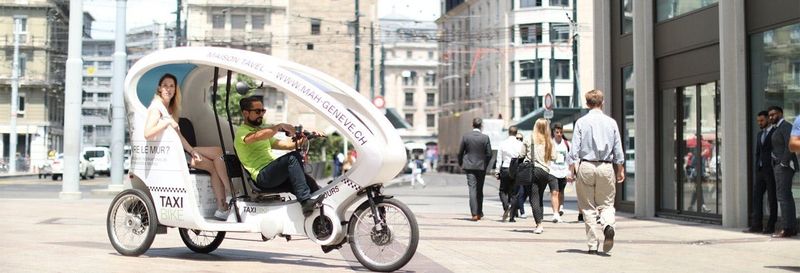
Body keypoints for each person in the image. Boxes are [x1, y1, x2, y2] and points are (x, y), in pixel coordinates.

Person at [144, 73, 231, 220]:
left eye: (172, 86)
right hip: (171, 156)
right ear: (159, 88)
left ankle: (224, 204)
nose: (168, 89)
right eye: (165, 86)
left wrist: (191, 150)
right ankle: (228, 197)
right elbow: (147, 133)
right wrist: (166, 122)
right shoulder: (156, 108)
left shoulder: (168, 109)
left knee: (218, 155)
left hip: (180, 151)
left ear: (175, 90)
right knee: (214, 163)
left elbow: (179, 136)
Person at [234, 95, 321, 217]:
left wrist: (309, 137)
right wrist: (279, 126)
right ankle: (305, 202)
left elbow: (288, 145)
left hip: (273, 175)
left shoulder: (261, 132)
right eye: (257, 111)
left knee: (310, 184)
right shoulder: (243, 133)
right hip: (262, 177)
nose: (261, 114)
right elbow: (257, 137)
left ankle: (320, 212)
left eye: (263, 111)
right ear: (245, 113)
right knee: (292, 158)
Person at [566, 90, 625, 254]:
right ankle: (608, 226)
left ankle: (592, 245)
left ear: (587, 104)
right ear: (602, 102)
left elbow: (574, 150)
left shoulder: (581, 122)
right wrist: (620, 169)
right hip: (605, 166)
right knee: (606, 204)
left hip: (586, 165)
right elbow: (618, 149)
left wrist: (571, 169)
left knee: (588, 207)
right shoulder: (611, 123)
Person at [521, 118, 557, 234]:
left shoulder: (529, 138)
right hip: (545, 172)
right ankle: (540, 222)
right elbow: (554, 157)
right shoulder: (549, 141)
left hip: (533, 171)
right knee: (539, 196)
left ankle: (539, 224)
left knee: (534, 198)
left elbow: (521, 154)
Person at [767, 106, 798, 238]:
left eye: (773, 114)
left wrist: (783, 163)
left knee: (783, 197)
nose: (771, 117)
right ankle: (791, 227)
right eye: (769, 115)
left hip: (784, 167)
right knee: (786, 196)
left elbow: (790, 145)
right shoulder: (777, 128)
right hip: (779, 166)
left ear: (780, 114)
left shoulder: (785, 126)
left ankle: (787, 228)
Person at [744, 111, 777, 234]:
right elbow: (757, 153)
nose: (760, 123)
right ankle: (756, 225)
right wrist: (757, 167)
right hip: (760, 170)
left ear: (768, 119)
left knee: (772, 198)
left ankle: (771, 226)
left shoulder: (775, 132)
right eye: (758, 121)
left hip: (771, 170)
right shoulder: (759, 134)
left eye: (762, 120)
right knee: (757, 197)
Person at [458, 117, 492, 221]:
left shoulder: (466, 136)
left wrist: (461, 163)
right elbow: (489, 154)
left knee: (472, 189)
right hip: (481, 166)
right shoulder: (485, 138)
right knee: (479, 189)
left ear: (472, 125)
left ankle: (474, 214)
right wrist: (485, 164)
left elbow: (460, 152)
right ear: (481, 126)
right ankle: (479, 212)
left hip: (469, 166)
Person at [494, 126, 523, 222]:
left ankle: (506, 205)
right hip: (516, 169)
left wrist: (497, 171)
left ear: (508, 132)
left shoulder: (503, 143)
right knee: (514, 193)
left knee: (502, 191)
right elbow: (523, 157)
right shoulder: (520, 144)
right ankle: (512, 217)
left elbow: (499, 158)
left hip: (505, 168)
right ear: (516, 133)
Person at [549, 122, 570, 223]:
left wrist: (570, 172)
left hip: (563, 172)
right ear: (553, 132)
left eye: (561, 132)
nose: (559, 134)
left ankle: (559, 208)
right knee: (554, 192)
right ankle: (555, 214)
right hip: (552, 171)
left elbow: (571, 159)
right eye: (557, 132)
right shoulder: (549, 144)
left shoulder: (567, 144)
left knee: (561, 193)